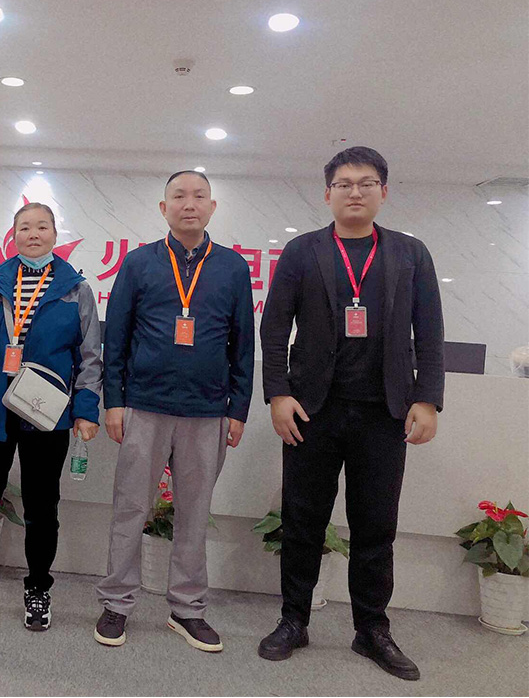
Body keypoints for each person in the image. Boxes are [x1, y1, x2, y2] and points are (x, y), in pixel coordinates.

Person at [257, 147, 444, 681]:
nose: (355, 192)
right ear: (328, 194)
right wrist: (277, 394)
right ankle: (294, 620)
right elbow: (275, 327)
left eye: (366, 183)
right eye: (344, 183)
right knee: (302, 521)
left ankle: (372, 630)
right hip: (311, 411)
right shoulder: (302, 251)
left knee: (376, 526)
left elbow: (430, 330)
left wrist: (427, 398)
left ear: (384, 192)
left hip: (385, 413)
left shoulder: (410, 253)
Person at [94, 170, 254, 652]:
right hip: (144, 406)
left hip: (207, 410)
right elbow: (116, 337)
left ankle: (187, 609)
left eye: (199, 196)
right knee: (130, 508)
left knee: (194, 513)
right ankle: (117, 603)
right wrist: (114, 401)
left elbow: (242, 344)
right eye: (179, 196)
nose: (189, 204)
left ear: (212, 207)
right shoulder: (139, 262)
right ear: (163, 208)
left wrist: (238, 408)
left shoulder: (232, 267)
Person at [0, 202, 102, 631]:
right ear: (13, 236)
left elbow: (90, 356)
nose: (34, 234)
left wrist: (86, 410)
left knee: (43, 507)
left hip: (47, 414)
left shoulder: (75, 289)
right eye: (25, 227)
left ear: (54, 234)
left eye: (42, 227)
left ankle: (38, 589)